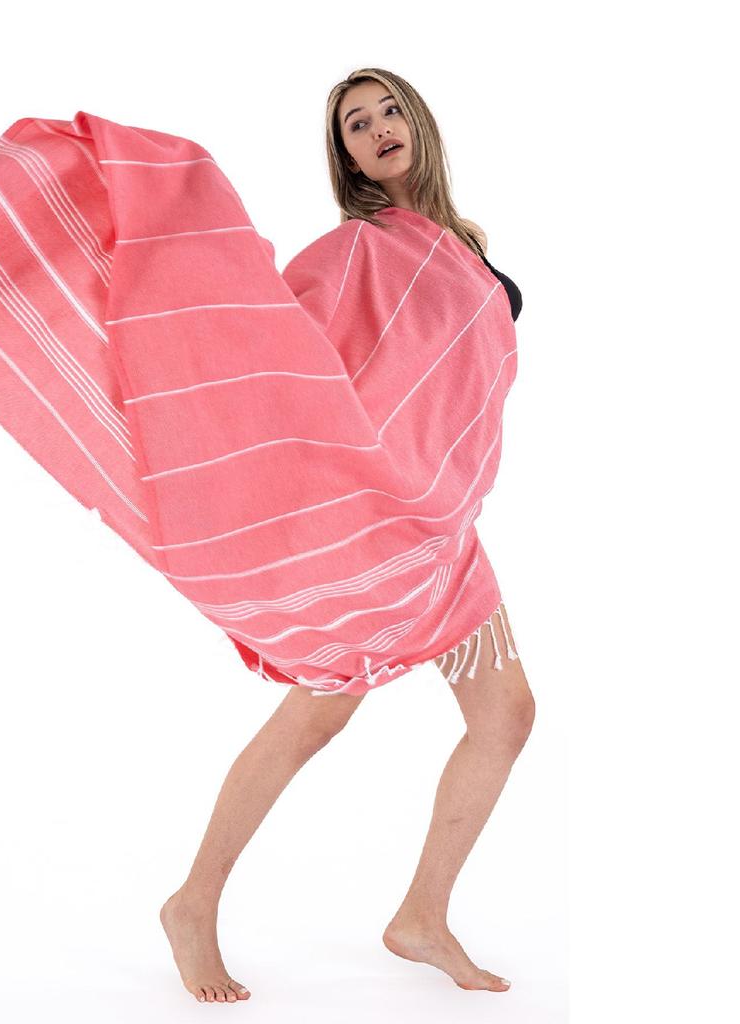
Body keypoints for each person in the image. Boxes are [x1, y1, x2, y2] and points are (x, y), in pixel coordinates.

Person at [159, 68, 535, 1004]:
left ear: (419, 120)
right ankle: (193, 903)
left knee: (506, 715)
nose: (376, 129)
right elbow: (273, 338)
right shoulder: (361, 249)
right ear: (348, 159)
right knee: (317, 717)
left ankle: (422, 918)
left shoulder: (464, 244)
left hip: (443, 526)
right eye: (355, 125)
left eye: (388, 110)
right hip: (375, 523)